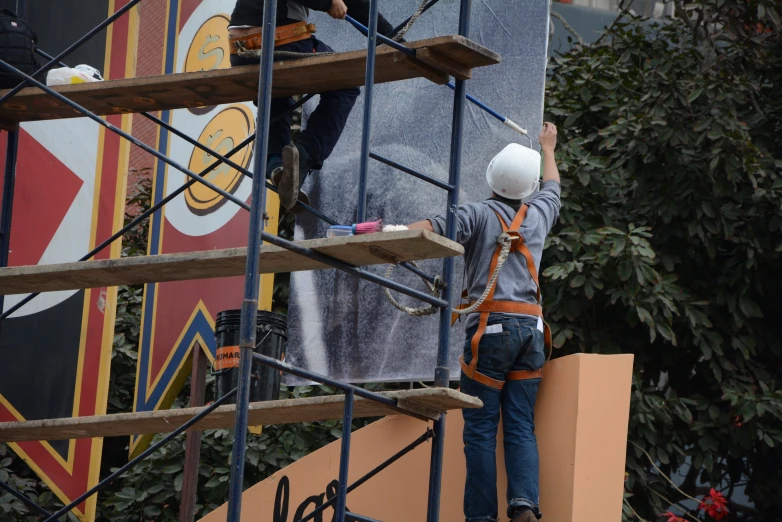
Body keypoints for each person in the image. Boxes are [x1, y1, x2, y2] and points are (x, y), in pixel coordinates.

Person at [408, 122, 561, 522]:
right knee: (520, 425)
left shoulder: (476, 213)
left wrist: (389, 235)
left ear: (492, 177)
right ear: (528, 187)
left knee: (479, 429)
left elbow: (432, 229)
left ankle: (480, 518)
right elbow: (554, 186)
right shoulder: (540, 214)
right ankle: (524, 504)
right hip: (531, 333)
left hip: (490, 332)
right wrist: (548, 147)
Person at [228, 0, 400, 210]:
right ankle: (305, 154)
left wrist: (395, 41)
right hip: (281, 41)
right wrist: (328, 2)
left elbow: (356, 5)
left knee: (274, 95)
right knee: (345, 83)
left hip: (241, 52)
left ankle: (276, 164)